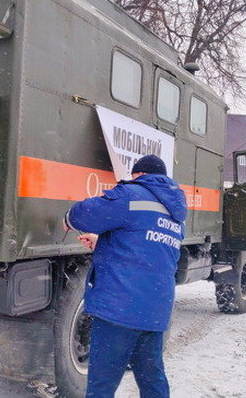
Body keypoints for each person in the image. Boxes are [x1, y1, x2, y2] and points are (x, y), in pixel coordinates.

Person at [63, 154, 187, 398]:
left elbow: (84, 214)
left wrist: (69, 218)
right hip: (154, 312)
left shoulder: (132, 194)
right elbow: (147, 249)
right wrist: (102, 242)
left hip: (119, 311)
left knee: (102, 386)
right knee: (152, 380)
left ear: (139, 175)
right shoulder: (176, 213)